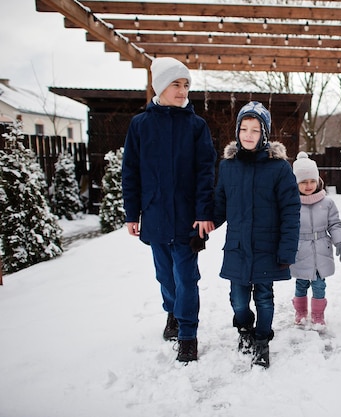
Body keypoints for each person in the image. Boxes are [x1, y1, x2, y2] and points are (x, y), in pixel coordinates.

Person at [122, 57, 217, 362]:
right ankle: (173, 315)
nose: (182, 90)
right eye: (176, 84)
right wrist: (131, 213)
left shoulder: (196, 126)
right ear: (160, 86)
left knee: (187, 278)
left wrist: (204, 212)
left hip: (188, 219)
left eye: (186, 85)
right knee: (165, 276)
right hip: (154, 217)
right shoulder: (140, 125)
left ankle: (188, 333)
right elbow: (131, 172)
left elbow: (206, 172)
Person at [213, 101, 301, 368]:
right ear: (237, 131)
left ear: (264, 133)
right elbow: (219, 205)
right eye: (244, 128)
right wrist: (203, 229)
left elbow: (290, 211)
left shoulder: (279, 168)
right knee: (238, 300)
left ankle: (262, 339)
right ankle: (244, 329)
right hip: (238, 247)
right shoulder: (228, 166)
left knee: (264, 297)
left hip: (267, 247)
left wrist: (287, 249)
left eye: (255, 129)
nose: (248, 134)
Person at [290, 152, 341, 328]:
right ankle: (300, 312)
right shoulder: (291, 203)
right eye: (303, 182)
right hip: (300, 250)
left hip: (322, 249)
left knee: (319, 285)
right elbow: (285, 228)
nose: (309, 186)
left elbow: (335, 224)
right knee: (300, 284)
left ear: (318, 181)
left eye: (312, 181)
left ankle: (318, 315)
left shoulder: (327, 203)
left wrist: (340, 242)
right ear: (296, 183)